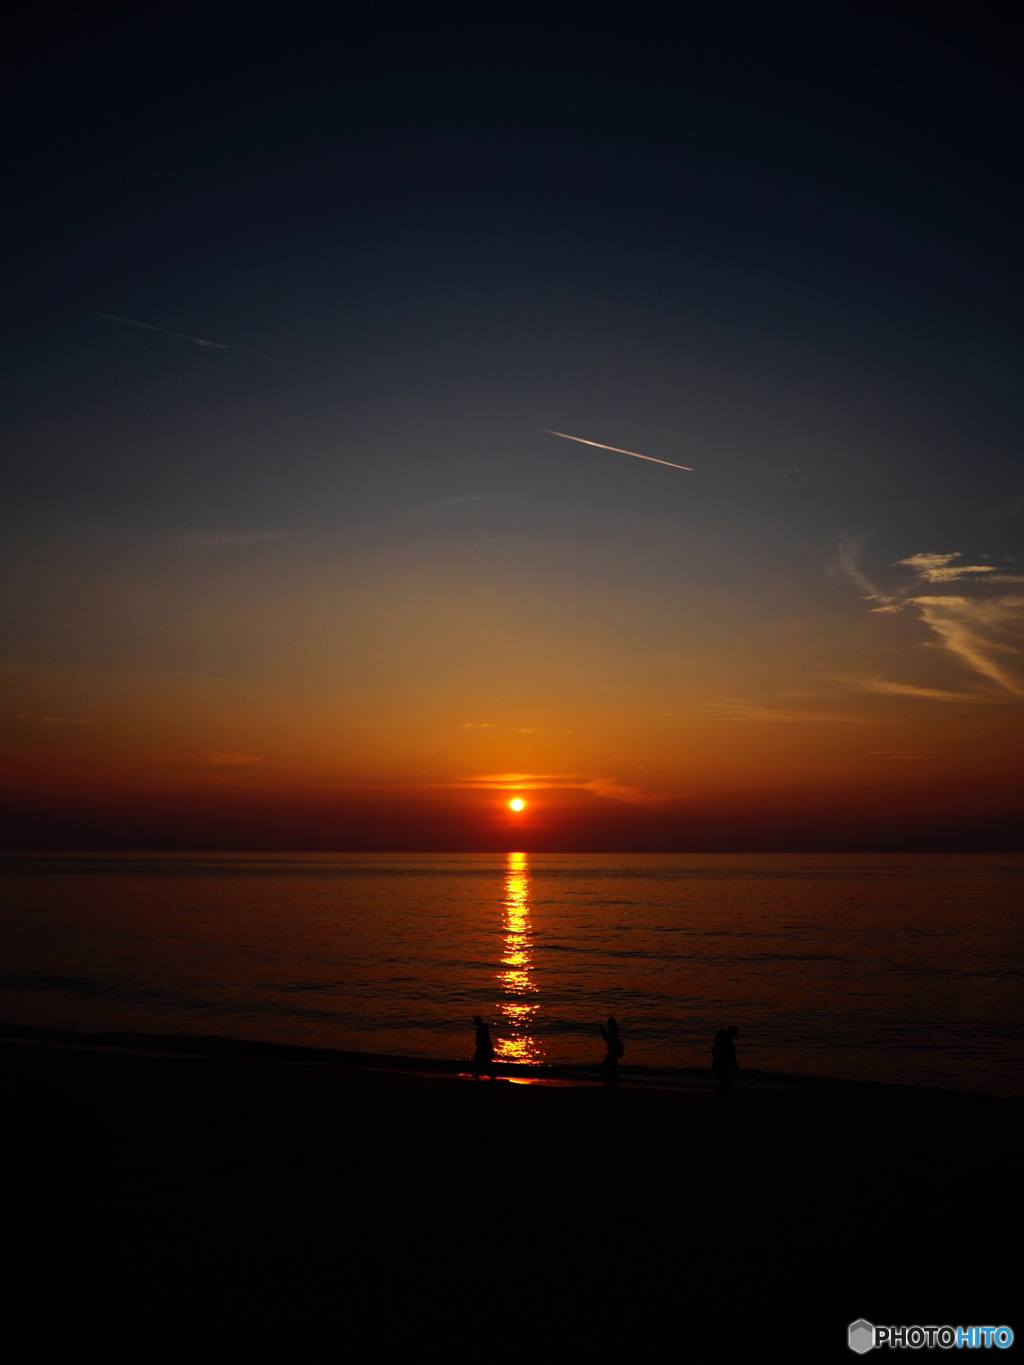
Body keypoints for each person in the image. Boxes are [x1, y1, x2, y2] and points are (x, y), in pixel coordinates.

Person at [712, 1025, 739, 1108]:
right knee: (729, 1087)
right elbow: (732, 1059)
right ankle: (723, 1103)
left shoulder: (718, 1044)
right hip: (725, 1067)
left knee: (724, 1086)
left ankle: (719, 1102)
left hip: (718, 1067)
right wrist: (737, 1069)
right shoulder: (730, 1045)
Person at [599, 1016, 623, 1087]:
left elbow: (606, 1039)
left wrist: (602, 1032)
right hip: (614, 1051)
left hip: (611, 1051)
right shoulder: (615, 1031)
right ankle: (613, 1081)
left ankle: (610, 1081)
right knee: (613, 1066)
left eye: (609, 1023)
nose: (608, 1024)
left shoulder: (611, 1032)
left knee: (607, 1066)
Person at [472, 1014, 495, 1080]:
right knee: (487, 1060)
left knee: (478, 1060)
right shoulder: (485, 1026)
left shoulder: (480, 1028)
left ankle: (479, 1073)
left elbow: (481, 1038)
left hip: (482, 1045)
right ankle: (490, 1073)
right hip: (486, 1045)